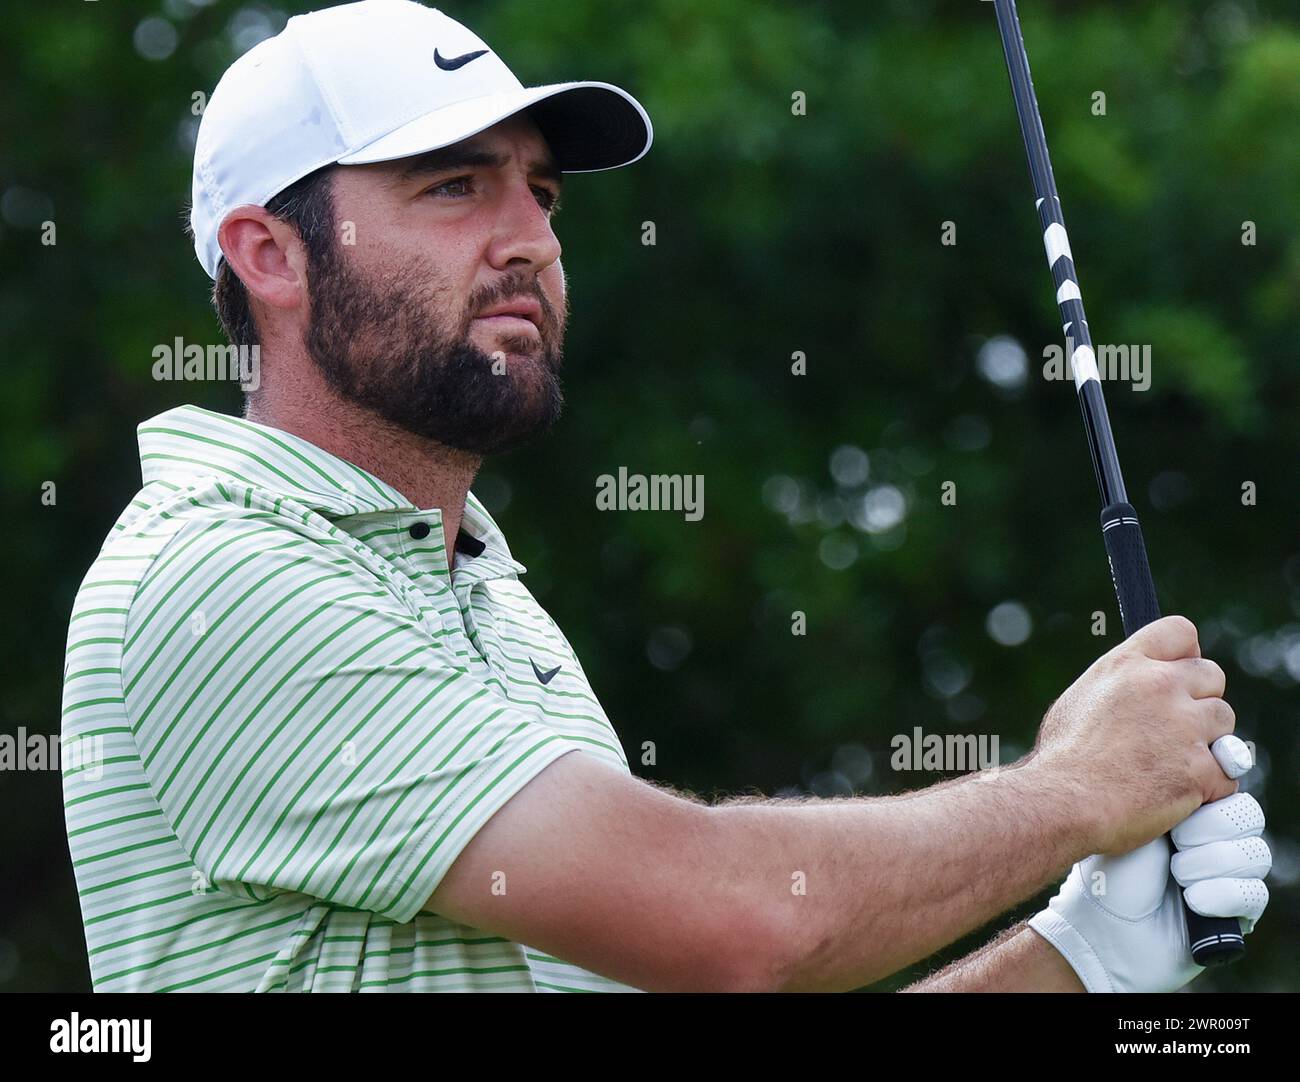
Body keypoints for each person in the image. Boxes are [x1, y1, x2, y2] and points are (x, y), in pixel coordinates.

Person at [60, 0, 1268, 993]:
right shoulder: (221, 571)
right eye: (453, 188)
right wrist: (1072, 790)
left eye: (541, 192)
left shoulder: (486, 599)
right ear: (271, 254)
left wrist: (1074, 956)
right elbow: (734, 922)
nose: (530, 235)